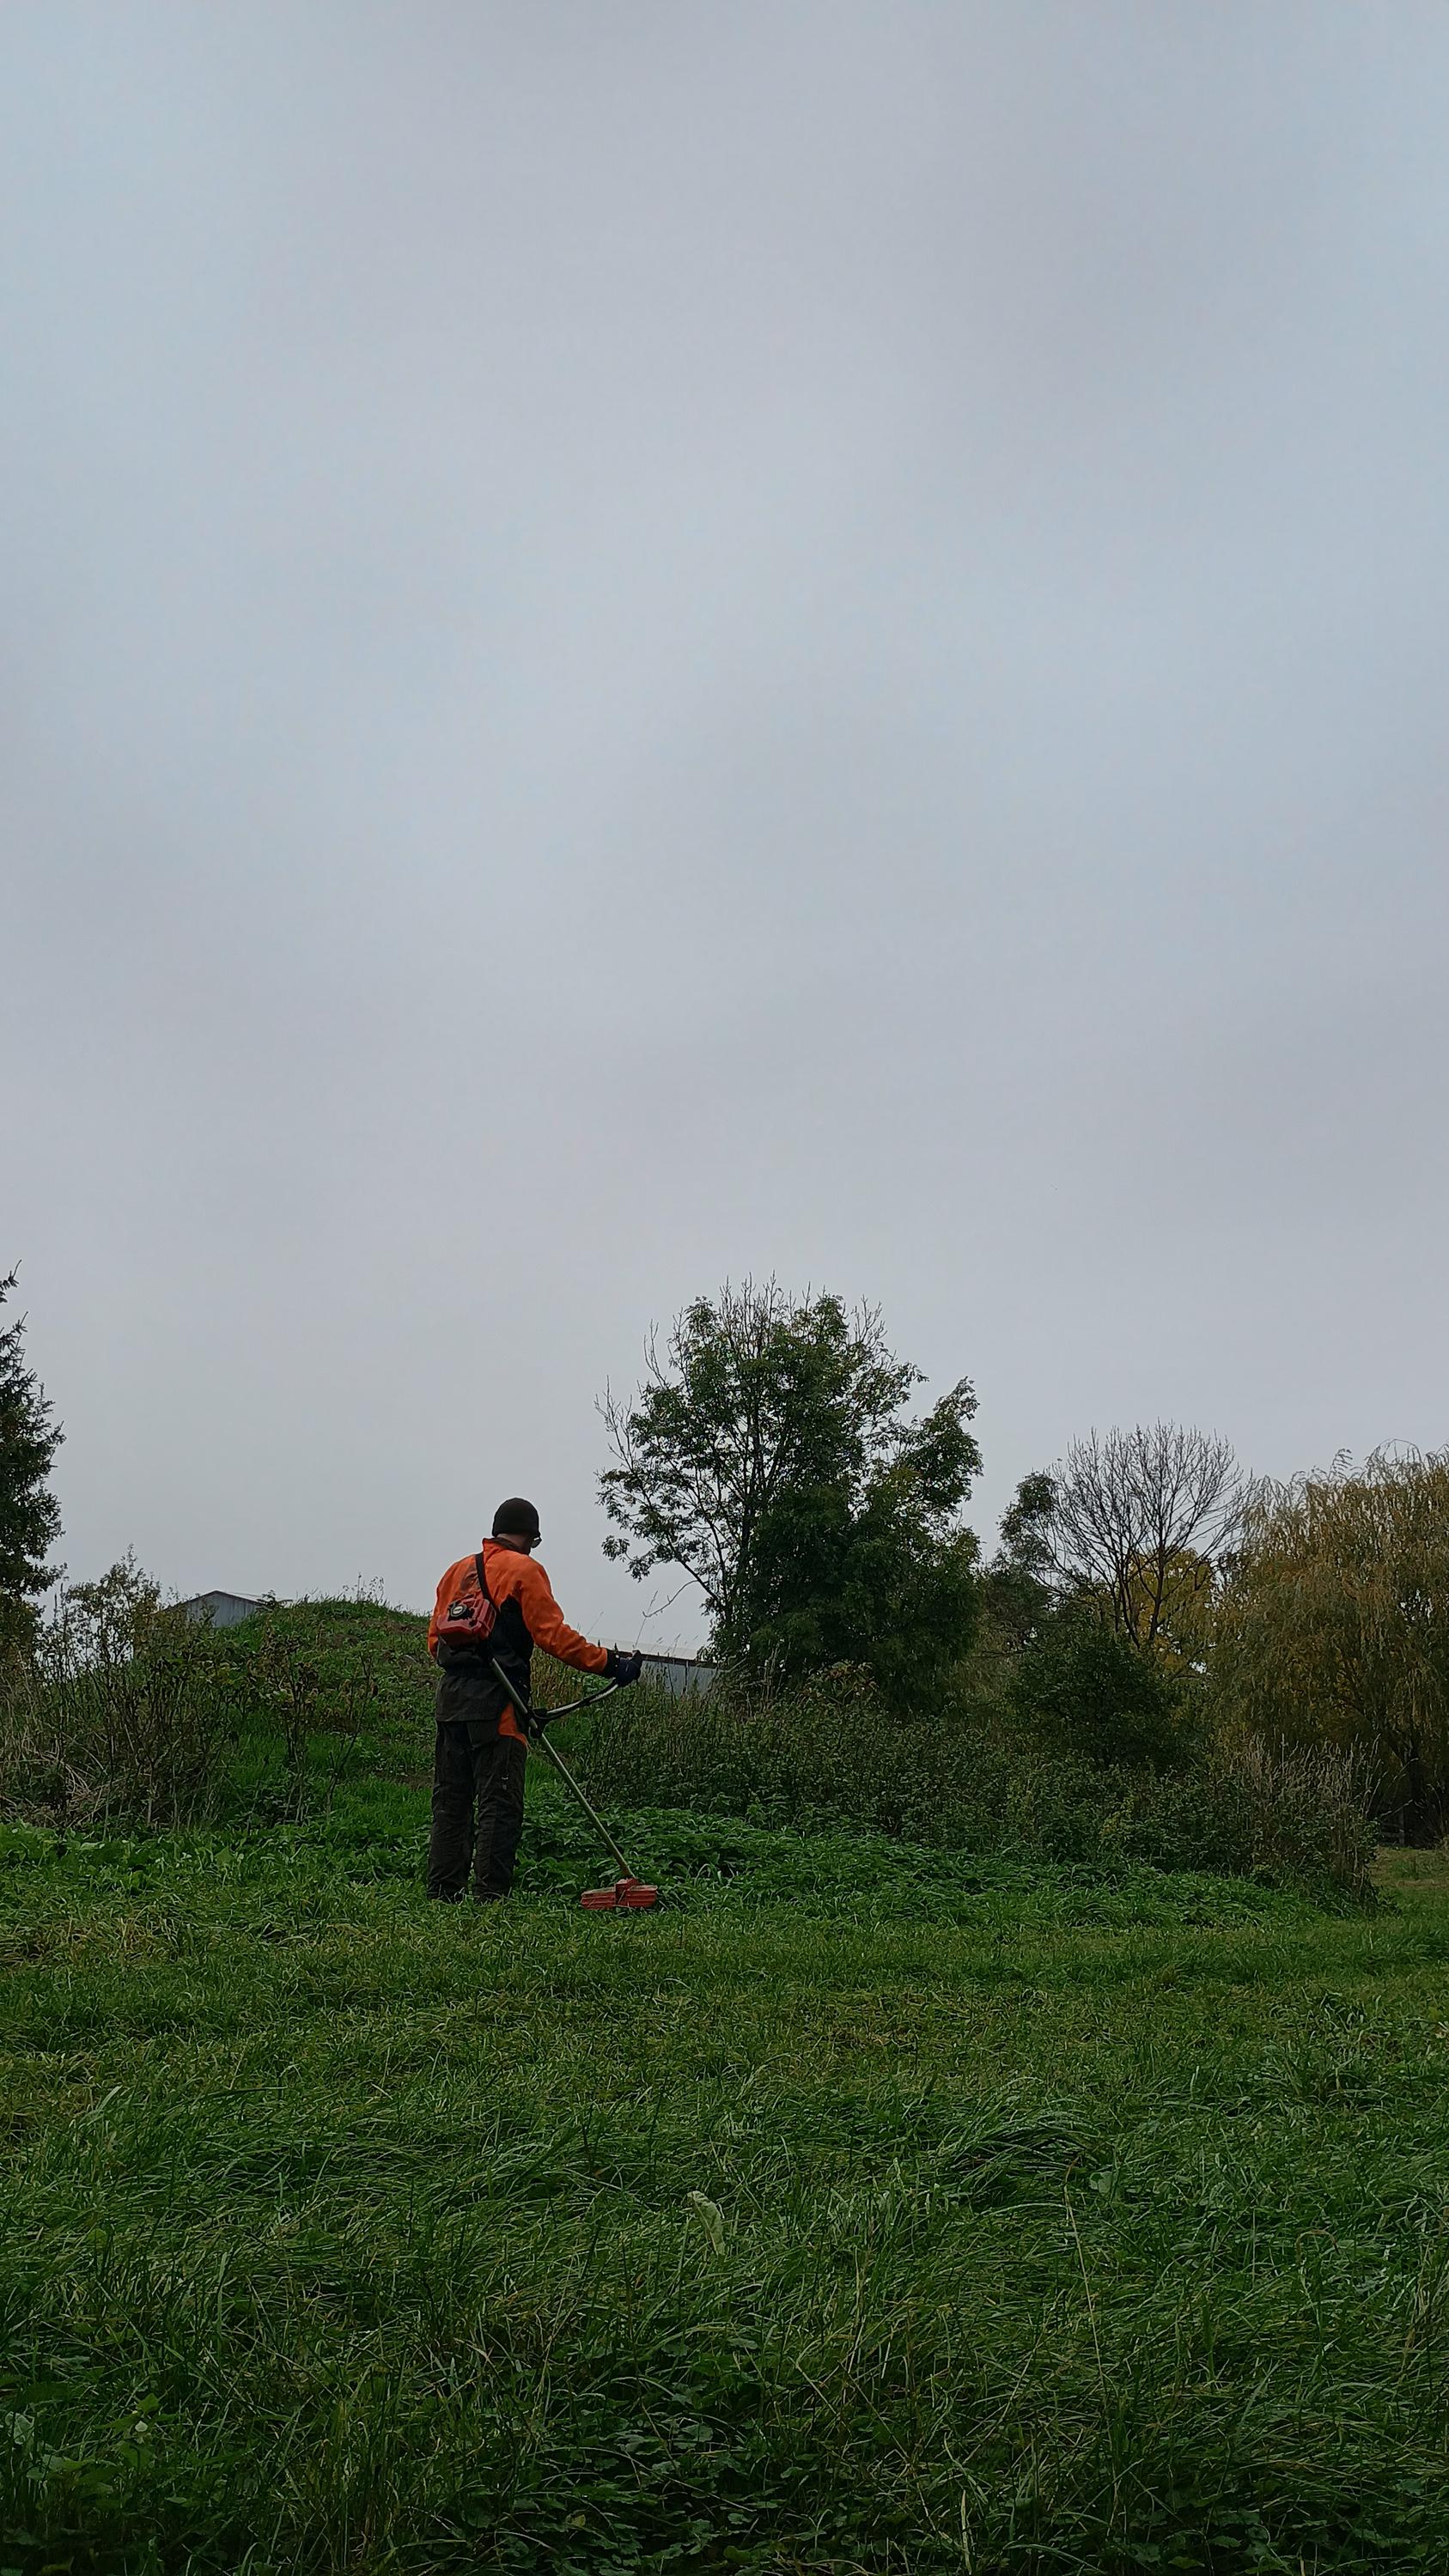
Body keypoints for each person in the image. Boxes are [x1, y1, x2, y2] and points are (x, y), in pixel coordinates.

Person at [426, 1497, 642, 1902]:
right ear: (530, 1537)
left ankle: (443, 1892)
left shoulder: (456, 1571)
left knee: (451, 1802)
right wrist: (612, 1665)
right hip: (499, 1705)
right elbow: (553, 1637)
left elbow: (435, 1642)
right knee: (499, 1803)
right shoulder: (525, 1570)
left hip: (451, 1703)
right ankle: (490, 1899)